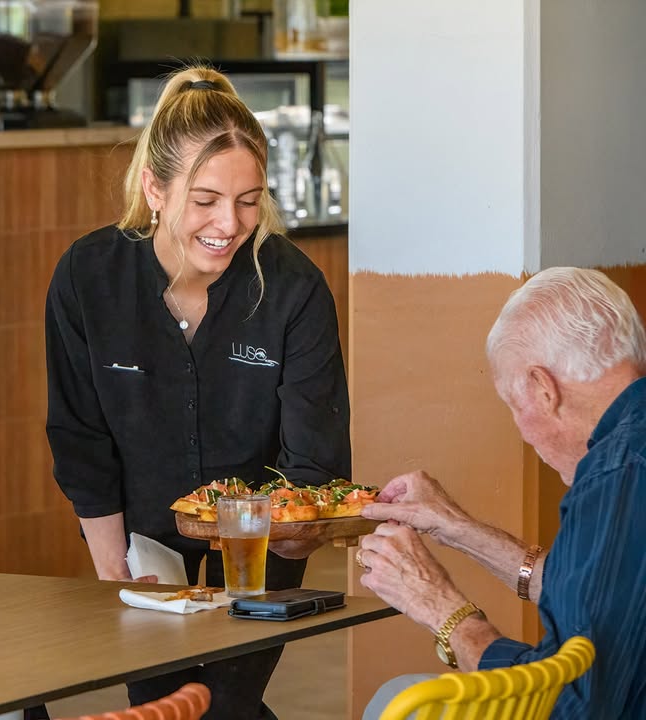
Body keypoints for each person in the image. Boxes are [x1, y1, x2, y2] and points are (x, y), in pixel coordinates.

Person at [45, 65, 350, 719]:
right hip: (138, 541)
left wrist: (293, 537)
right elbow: (80, 436)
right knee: (171, 703)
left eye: (248, 200)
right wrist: (112, 567)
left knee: (219, 705)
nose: (229, 224)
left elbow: (313, 464)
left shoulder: (294, 289)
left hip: (260, 550)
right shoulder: (88, 276)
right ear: (154, 188)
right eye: (205, 199)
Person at [357, 267, 646, 719]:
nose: (519, 426)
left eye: (514, 404)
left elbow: (572, 705)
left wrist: (441, 608)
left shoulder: (616, 475)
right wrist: (456, 528)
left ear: (543, 388)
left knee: (400, 703)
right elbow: (605, 589)